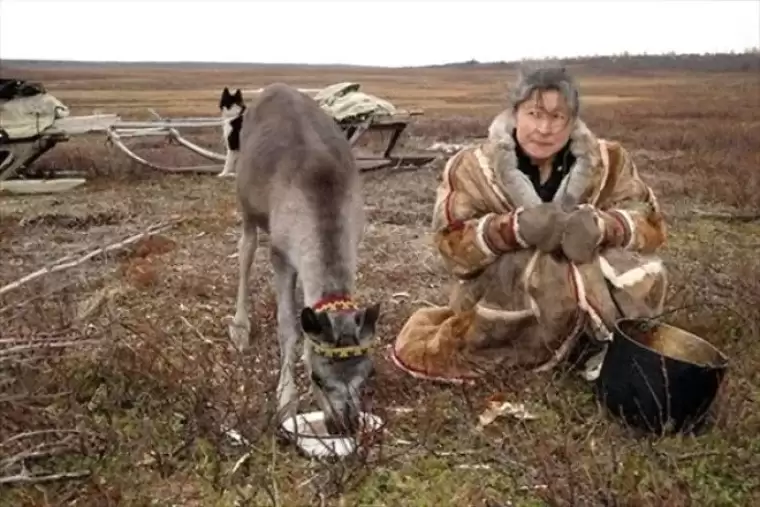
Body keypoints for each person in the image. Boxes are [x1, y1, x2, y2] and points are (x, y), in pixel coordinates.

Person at [390, 64, 669, 384]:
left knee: (626, 263)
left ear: (572, 119)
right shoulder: (472, 167)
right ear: (515, 113)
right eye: (534, 114)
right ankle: (536, 345)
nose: (545, 128)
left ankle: (599, 343)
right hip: (505, 292)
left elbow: (648, 220)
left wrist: (604, 226)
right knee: (534, 265)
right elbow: (452, 243)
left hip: (590, 278)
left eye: (557, 117)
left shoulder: (609, 161)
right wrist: (511, 230)